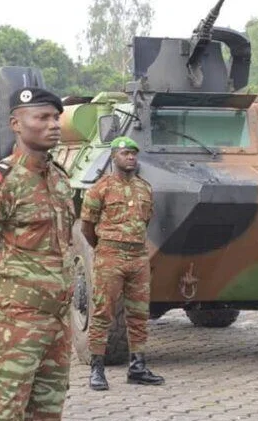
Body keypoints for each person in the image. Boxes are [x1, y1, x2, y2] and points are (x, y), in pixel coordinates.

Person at [0, 87, 75, 420]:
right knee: (3, 414)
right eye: (42, 117)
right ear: (16, 123)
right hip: (17, 325)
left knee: (47, 414)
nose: (53, 124)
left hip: (57, 322)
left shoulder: (59, 179)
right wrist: (14, 300)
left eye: (56, 117)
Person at [80, 136, 165, 391]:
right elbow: (87, 227)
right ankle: (97, 368)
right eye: (126, 153)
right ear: (114, 156)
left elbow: (145, 221)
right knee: (103, 313)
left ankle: (137, 366)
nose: (131, 157)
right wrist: (104, 248)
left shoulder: (144, 188)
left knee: (139, 314)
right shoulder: (100, 188)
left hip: (138, 257)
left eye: (133, 154)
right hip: (110, 256)